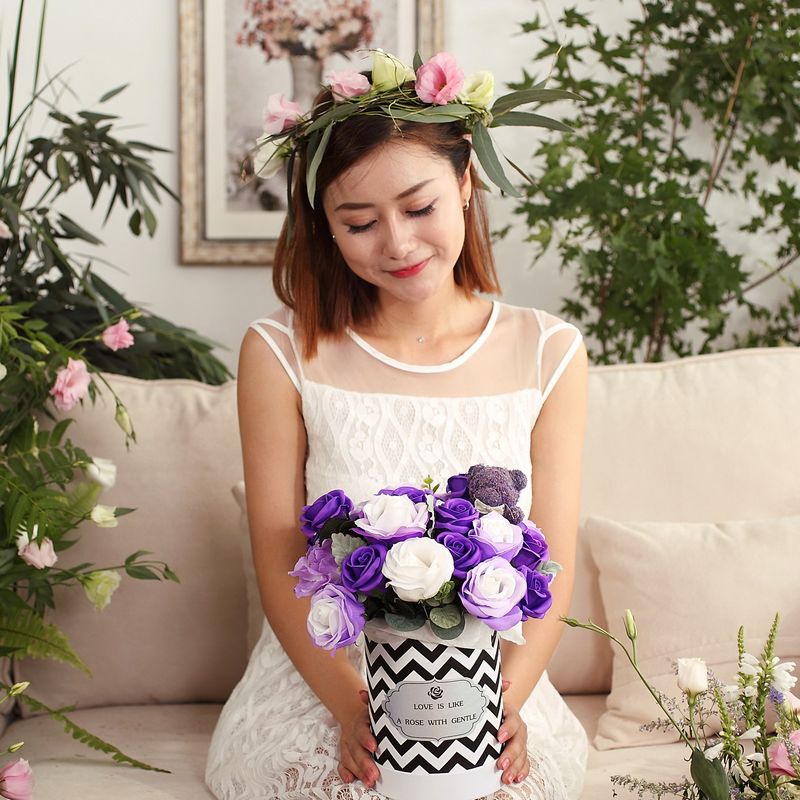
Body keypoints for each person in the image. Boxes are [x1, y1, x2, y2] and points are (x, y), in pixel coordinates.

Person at [206, 51, 589, 800]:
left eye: (419, 208)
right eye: (359, 223)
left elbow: (557, 563)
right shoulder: (280, 352)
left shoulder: (550, 350)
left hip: (492, 683)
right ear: (325, 226)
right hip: (327, 684)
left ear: (466, 183)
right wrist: (353, 707)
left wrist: (501, 706)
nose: (398, 244)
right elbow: (281, 560)